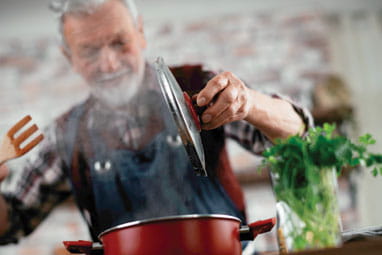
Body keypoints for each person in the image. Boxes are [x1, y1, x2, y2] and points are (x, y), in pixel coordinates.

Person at [0, 0, 313, 246]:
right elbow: (11, 224)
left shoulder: (197, 88)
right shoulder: (64, 135)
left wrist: (250, 103)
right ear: (70, 58)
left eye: (119, 42)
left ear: (141, 33)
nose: (108, 63)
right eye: (89, 51)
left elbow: (300, 142)